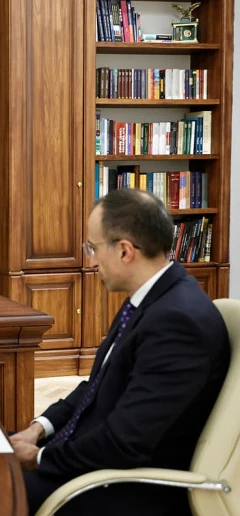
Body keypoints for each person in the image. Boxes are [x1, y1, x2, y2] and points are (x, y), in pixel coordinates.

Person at [12, 188, 229, 515]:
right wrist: (39, 428)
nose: (91, 261)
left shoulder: (177, 323)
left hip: (123, 486)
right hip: (89, 456)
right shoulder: (151, 299)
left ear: (125, 250)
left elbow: (125, 443)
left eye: (92, 248)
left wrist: (39, 457)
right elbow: (96, 386)